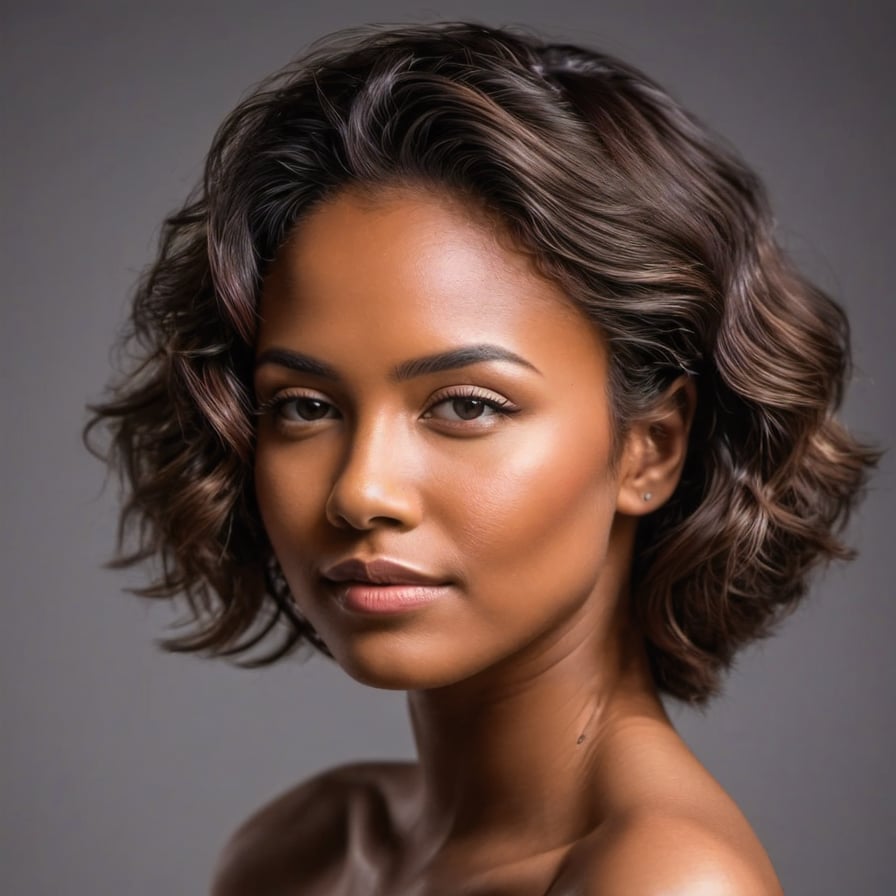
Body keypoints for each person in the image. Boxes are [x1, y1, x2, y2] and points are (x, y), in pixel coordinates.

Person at [85, 21, 877, 895]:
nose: (361, 492)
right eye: (305, 407)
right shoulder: (308, 850)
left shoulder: (663, 880)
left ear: (650, 449)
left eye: (466, 406)